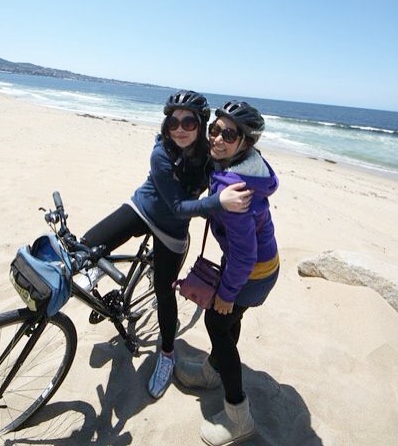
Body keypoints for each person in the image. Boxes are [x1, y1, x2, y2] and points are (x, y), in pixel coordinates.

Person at [80, 91, 253, 400]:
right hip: (142, 210)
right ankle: (96, 270)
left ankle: (168, 354)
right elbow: (177, 204)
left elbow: (243, 160)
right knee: (86, 246)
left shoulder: (210, 158)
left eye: (189, 121)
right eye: (173, 121)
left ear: (201, 125)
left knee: (164, 291)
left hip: (172, 232)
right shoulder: (160, 152)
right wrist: (218, 202)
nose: (180, 128)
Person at [174, 101, 280, 445]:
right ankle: (211, 371)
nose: (217, 138)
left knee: (218, 322)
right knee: (229, 321)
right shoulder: (245, 166)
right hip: (261, 265)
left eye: (228, 134)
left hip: (253, 271)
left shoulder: (235, 190)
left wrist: (227, 293)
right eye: (214, 130)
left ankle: (239, 417)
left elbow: (245, 253)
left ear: (245, 143)